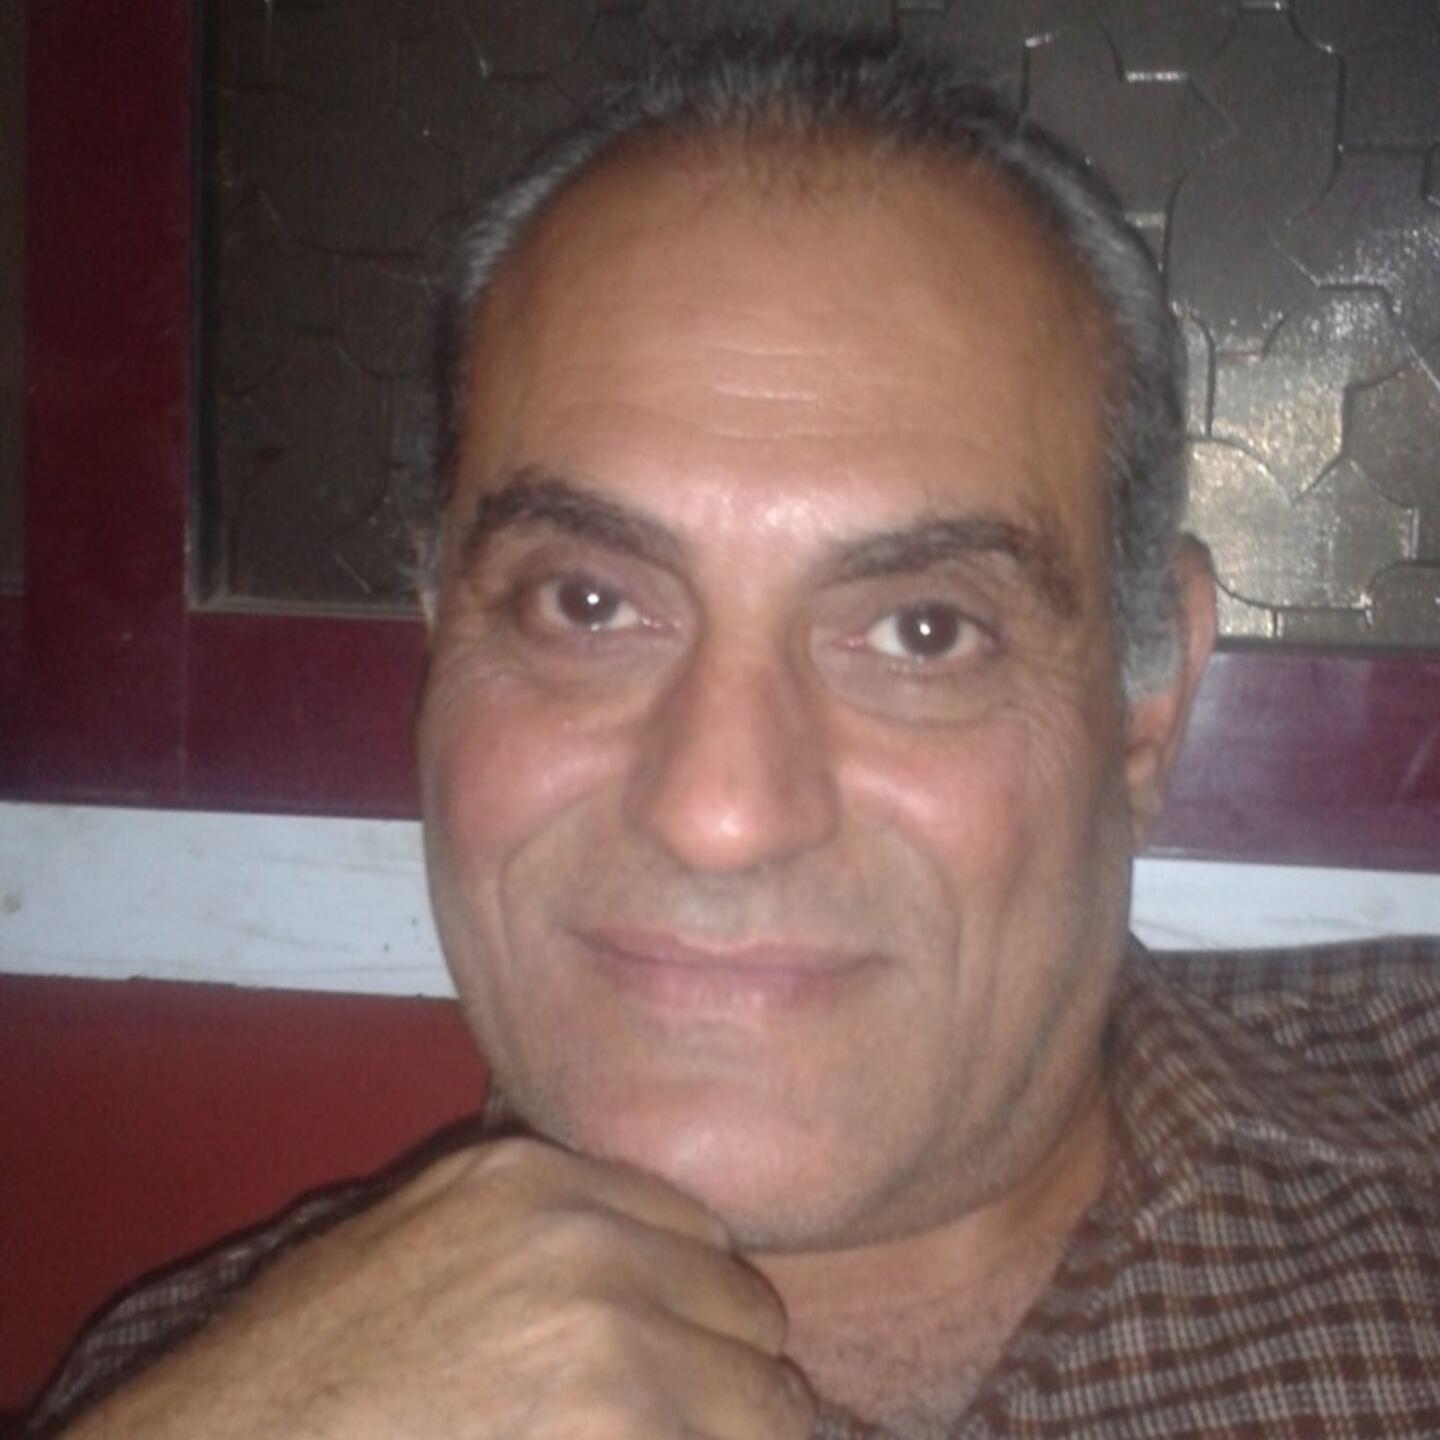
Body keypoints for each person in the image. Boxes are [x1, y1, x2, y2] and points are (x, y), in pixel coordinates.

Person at [28, 29, 1440, 1440]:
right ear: (441, 636)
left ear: (1146, 706)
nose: (719, 812)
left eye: (922, 631)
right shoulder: (188, 1392)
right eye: (589, 604)